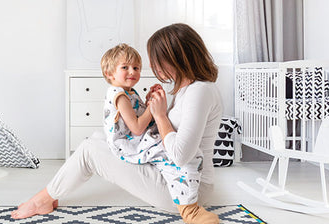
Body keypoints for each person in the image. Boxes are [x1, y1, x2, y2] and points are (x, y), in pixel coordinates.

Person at [11, 23, 223, 224]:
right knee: (97, 139)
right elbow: (168, 133)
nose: (154, 66)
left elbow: (181, 154)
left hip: (185, 189)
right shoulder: (188, 89)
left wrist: (159, 115)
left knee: (90, 151)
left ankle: (42, 200)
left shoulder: (199, 91)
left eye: (158, 60)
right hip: (174, 175)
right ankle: (53, 193)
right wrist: (156, 109)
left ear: (177, 58)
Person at [100, 43, 206, 216]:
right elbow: (137, 128)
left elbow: (138, 114)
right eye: (125, 67)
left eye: (136, 67)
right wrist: (153, 107)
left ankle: (187, 193)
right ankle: (187, 205)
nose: (132, 72)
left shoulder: (128, 92)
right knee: (170, 154)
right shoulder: (119, 96)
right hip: (128, 145)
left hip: (134, 138)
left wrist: (149, 100)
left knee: (177, 148)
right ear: (109, 73)